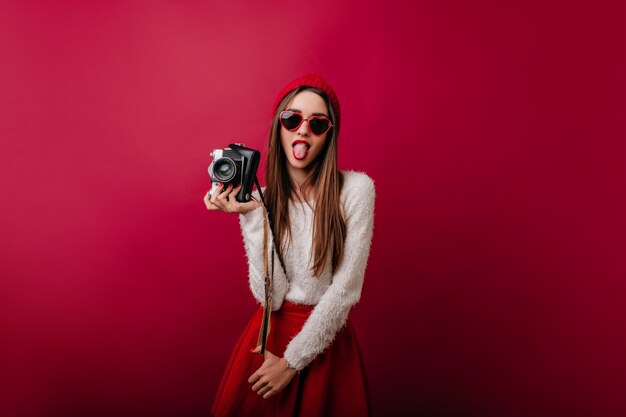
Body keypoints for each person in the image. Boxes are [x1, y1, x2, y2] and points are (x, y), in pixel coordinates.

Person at [204, 73, 375, 417]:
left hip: (323, 344)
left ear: (330, 135)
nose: (302, 130)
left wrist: (292, 362)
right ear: (279, 127)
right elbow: (272, 295)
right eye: (292, 119)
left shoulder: (356, 190)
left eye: (318, 124)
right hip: (269, 337)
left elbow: (345, 290)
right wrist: (253, 215)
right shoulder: (261, 199)